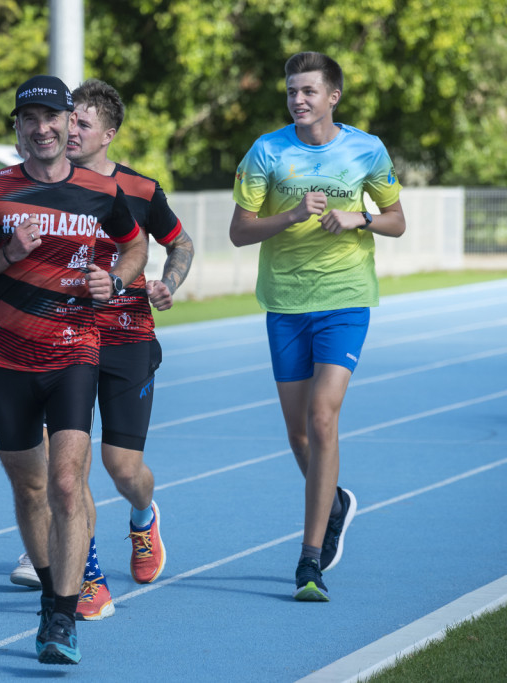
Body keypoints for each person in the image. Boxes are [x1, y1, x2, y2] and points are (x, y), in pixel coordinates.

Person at [0, 75, 147, 665]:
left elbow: (136, 246)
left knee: (66, 483)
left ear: (70, 125)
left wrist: (114, 279)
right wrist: (7, 254)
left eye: (52, 119)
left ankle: (63, 617)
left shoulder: (99, 190)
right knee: (29, 485)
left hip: (74, 351)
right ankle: (48, 591)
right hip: (7, 359)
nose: (42, 129)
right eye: (29, 119)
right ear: (17, 128)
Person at [229, 52, 405, 602]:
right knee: (299, 434)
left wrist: (362, 217)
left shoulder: (366, 149)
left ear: (333, 96)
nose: (298, 100)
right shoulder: (267, 151)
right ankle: (335, 501)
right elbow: (239, 232)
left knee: (322, 417)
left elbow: (398, 222)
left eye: (308, 91)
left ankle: (309, 561)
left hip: (346, 299)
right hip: (285, 303)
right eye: (291, 92)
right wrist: (290, 215)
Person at [57, 78, 195, 620]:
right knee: (67, 468)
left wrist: (169, 282)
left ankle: (143, 518)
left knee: (121, 467)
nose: (69, 130)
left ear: (108, 134)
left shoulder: (139, 189)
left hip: (128, 338)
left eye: (82, 123)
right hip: (63, 342)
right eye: (68, 120)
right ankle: (87, 574)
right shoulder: (44, 185)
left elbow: (179, 242)